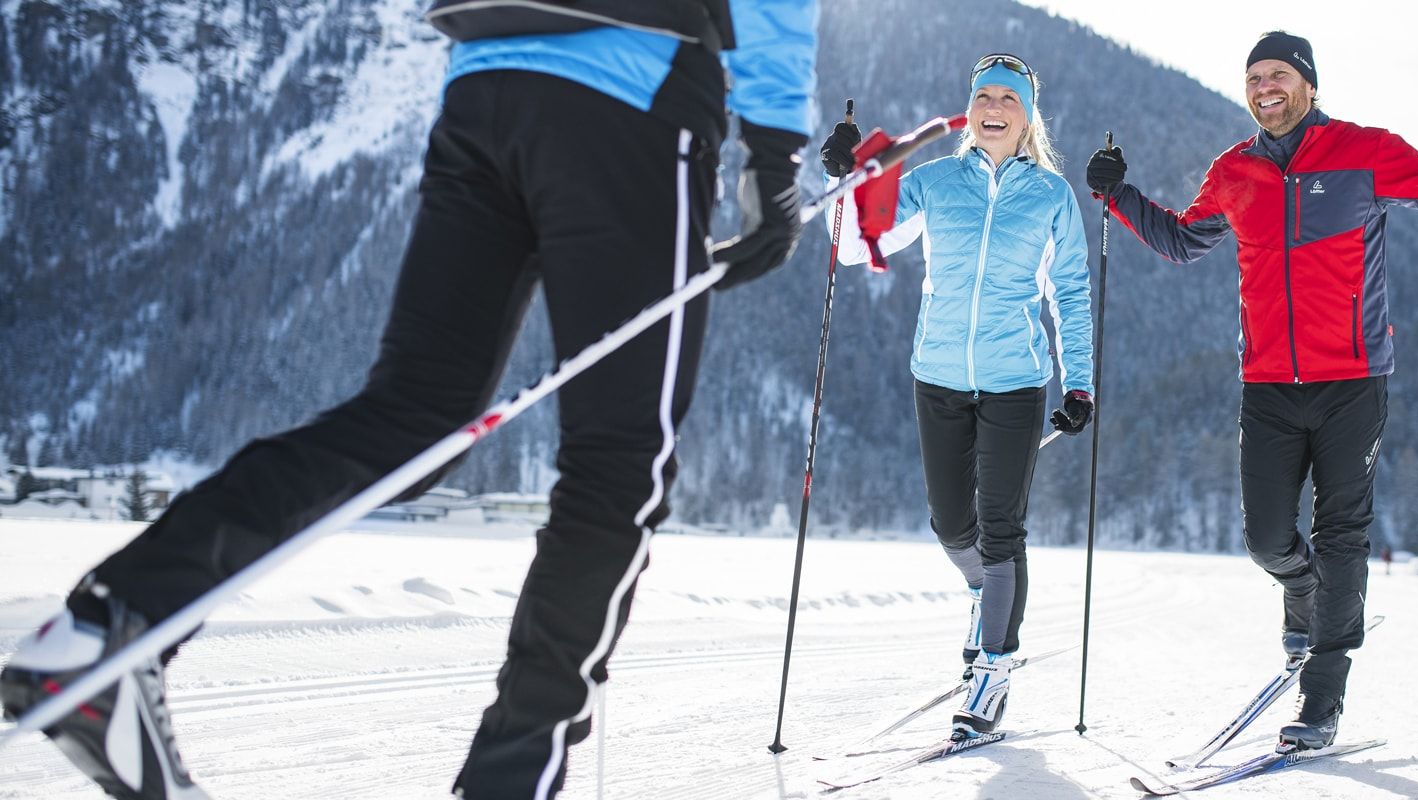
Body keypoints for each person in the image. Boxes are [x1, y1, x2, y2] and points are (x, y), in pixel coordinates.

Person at [0, 2, 817, 797]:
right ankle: (508, 782)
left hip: (480, 79)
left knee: (413, 419)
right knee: (617, 467)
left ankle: (112, 624)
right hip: (637, 86)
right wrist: (776, 157)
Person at [1084, 31, 1418, 750]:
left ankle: (1321, 699)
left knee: (1343, 537)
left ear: (1308, 84)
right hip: (1267, 383)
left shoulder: (1365, 151)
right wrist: (1118, 196)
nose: (1264, 87)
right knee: (1266, 538)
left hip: (1353, 383)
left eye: (1278, 75)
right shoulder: (1234, 171)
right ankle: (1298, 591)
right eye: (1253, 78)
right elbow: (1182, 240)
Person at [819, 52, 1095, 740]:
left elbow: (1070, 292)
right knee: (950, 525)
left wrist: (1080, 380)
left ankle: (994, 671)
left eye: (1008, 97)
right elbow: (858, 247)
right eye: (984, 97)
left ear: (1026, 116)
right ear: (970, 110)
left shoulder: (1052, 196)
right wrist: (848, 182)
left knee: (1002, 528)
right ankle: (982, 594)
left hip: (1014, 381)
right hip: (937, 373)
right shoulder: (936, 181)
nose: (994, 107)